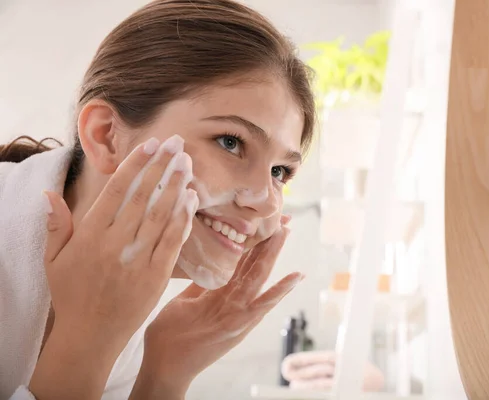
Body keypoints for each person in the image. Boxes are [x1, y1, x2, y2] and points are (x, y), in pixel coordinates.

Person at [0, 0, 316, 399]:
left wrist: (166, 369)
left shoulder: (133, 295)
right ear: (105, 136)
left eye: (279, 172)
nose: (267, 202)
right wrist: (88, 336)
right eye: (230, 142)